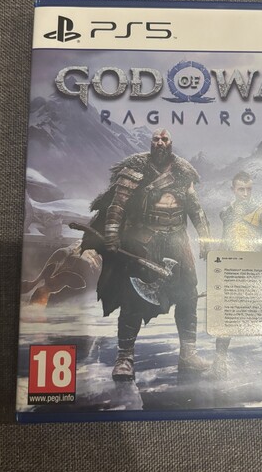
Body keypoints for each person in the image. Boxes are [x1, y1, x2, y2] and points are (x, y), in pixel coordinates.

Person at [81, 129, 211, 381]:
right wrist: (111, 233)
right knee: (132, 298)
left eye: (164, 139)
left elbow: (195, 208)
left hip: (177, 241)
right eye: (156, 140)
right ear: (151, 143)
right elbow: (117, 205)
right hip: (144, 240)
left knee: (188, 295)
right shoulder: (134, 169)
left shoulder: (183, 172)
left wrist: (206, 239)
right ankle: (125, 358)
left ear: (171, 143)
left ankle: (188, 355)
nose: (160, 143)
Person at [212, 171, 262, 377]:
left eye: (248, 189)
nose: (245, 193)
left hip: (256, 274)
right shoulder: (226, 213)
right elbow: (225, 240)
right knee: (226, 320)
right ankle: (220, 365)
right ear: (233, 190)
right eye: (241, 189)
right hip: (232, 274)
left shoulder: (261, 213)